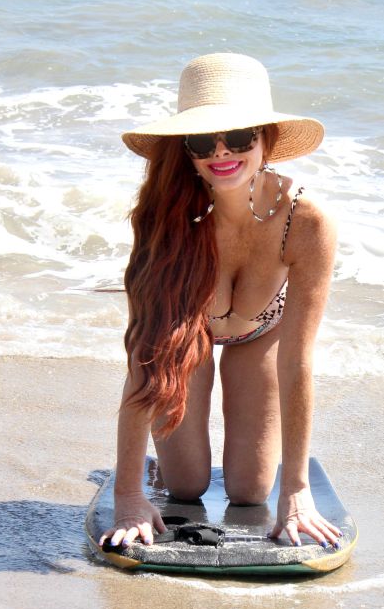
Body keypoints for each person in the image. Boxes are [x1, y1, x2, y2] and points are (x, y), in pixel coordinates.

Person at [99, 53, 341, 551]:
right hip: (186, 335)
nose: (221, 151)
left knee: (250, 490)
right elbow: (145, 355)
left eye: (239, 137)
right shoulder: (165, 218)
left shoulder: (305, 222)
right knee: (185, 485)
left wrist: (295, 491)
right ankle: (157, 466)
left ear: (265, 139)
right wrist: (128, 494)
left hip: (261, 333)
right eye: (202, 142)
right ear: (186, 151)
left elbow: (297, 361)